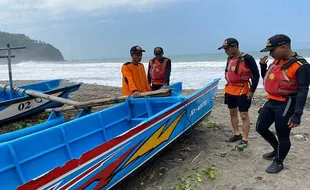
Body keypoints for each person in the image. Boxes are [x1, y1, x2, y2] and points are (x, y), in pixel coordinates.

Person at [257, 34, 310, 173]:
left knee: (283, 134)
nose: (270, 53)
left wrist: (297, 114)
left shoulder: (301, 66)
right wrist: (263, 67)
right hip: (271, 100)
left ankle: (279, 161)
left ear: (284, 47)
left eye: (272, 50)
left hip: (287, 103)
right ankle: (276, 149)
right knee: (260, 127)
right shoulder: (276, 62)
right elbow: (270, 80)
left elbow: (303, 91)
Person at [218, 38, 260, 148]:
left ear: (235, 47)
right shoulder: (230, 58)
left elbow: (256, 75)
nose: (225, 51)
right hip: (230, 89)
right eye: (224, 49)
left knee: (244, 115)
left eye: (227, 48)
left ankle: (245, 139)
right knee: (232, 112)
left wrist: (252, 91)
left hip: (243, 89)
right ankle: (236, 133)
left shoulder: (247, 58)